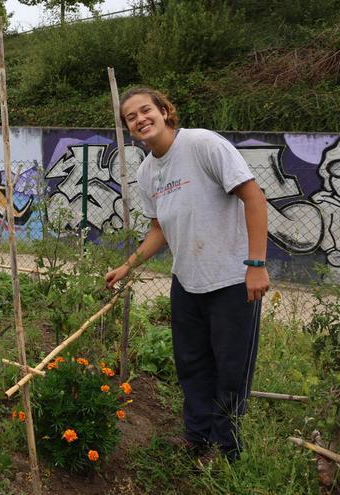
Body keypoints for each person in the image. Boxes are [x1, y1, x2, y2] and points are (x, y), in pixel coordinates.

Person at [104, 87, 270, 463]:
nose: (140, 119)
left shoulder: (201, 144)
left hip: (232, 279)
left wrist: (256, 265)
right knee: (192, 363)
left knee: (230, 369)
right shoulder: (148, 173)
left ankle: (227, 450)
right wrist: (128, 265)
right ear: (129, 130)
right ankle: (197, 436)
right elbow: (159, 229)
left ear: (164, 111)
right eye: (131, 117)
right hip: (187, 281)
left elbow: (253, 196)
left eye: (146, 110)